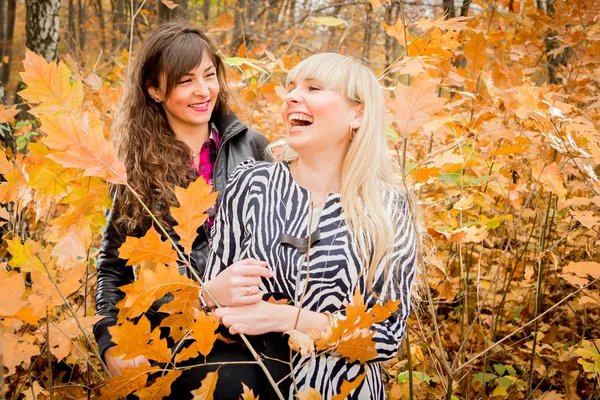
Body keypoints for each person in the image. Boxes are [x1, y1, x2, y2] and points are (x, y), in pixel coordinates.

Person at [202, 53, 419, 399]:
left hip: (342, 390)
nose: (290, 98)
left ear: (357, 114)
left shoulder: (386, 207)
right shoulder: (251, 184)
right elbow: (209, 300)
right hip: (244, 385)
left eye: (313, 88)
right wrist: (212, 292)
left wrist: (286, 317)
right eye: (290, 89)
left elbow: (387, 338)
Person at [92, 20, 270, 383]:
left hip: (259, 322)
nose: (203, 91)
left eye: (209, 75)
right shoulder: (133, 170)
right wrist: (109, 342)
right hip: (180, 333)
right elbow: (113, 267)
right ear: (155, 90)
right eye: (185, 81)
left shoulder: (253, 147)